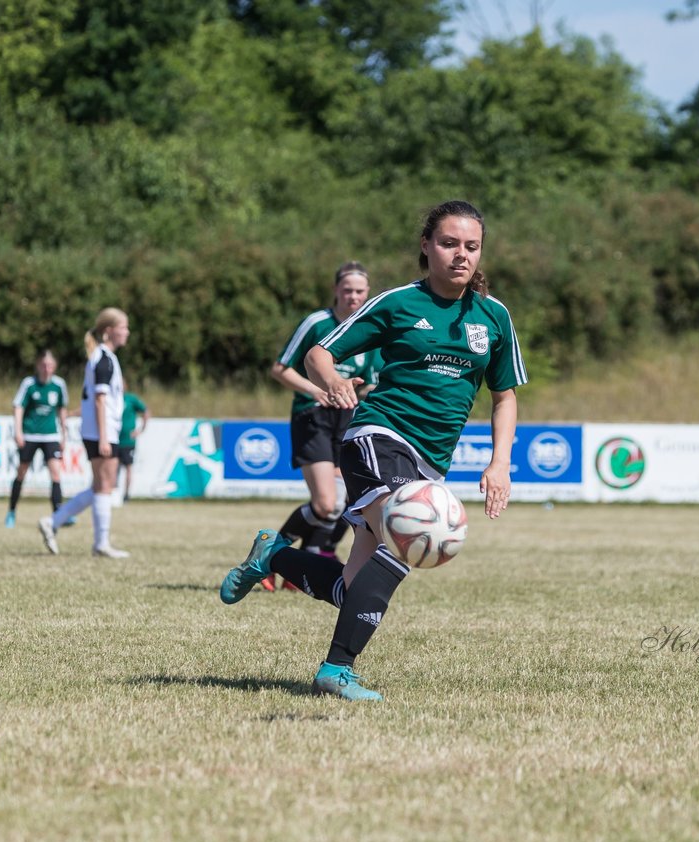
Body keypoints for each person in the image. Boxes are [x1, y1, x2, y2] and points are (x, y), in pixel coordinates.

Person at [219, 200, 527, 701]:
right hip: (377, 437)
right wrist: (333, 379)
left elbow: (505, 395)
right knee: (411, 535)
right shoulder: (399, 302)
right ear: (426, 246)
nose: (460, 255)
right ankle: (336, 670)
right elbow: (319, 353)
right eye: (448, 243)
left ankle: (274, 555)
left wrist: (500, 463)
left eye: (471, 246)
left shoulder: (493, 318)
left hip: (428, 463)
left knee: (351, 588)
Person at [263, 261, 382, 592]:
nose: (353, 297)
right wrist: (318, 389)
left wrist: (363, 392)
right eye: (347, 290)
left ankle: (302, 561)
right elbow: (280, 368)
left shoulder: (370, 330)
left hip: (347, 421)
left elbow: (370, 383)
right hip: (312, 415)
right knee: (326, 504)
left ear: (367, 293)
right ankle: (270, 553)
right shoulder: (317, 323)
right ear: (336, 291)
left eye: (359, 291)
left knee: (347, 500)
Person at [38, 308, 132, 558]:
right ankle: (100, 543)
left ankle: (53, 521)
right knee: (104, 487)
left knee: (102, 486)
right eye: (123, 327)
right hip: (102, 432)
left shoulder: (102, 357)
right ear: (109, 331)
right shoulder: (103, 359)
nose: (127, 332)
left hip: (100, 430)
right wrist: (103, 436)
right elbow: (101, 401)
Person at [6, 350, 69, 528]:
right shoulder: (29, 384)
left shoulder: (59, 385)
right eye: (44, 365)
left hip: (51, 436)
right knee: (22, 471)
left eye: (50, 365)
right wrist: (18, 431)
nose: (47, 369)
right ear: (38, 365)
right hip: (30, 435)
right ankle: (11, 511)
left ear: (54, 366)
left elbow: (62, 411)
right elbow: (18, 406)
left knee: (56, 473)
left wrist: (64, 435)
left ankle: (58, 514)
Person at [116, 390, 148, 503]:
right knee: (113, 468)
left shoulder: (131, 399)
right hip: (113, 440)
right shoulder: (112, 398)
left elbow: (146, 410)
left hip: (127, 442)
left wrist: (141, 429)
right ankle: (113, 494)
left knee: (128, 467)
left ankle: (126, 495)